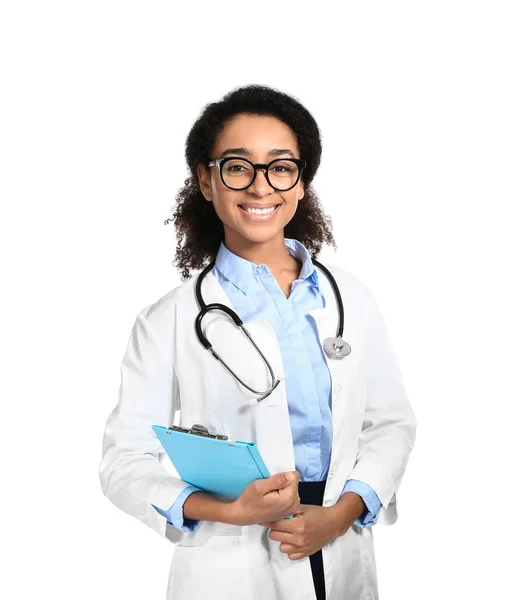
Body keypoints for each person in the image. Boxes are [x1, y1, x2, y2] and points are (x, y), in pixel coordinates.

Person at [99, 84, 417, 600]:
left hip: (340, 545)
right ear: (207, 179)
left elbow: (391, 424)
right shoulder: (170, 320)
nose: (260, 186)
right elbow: (124, 463)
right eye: (238, 166)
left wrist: (340, 515)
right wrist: (231, 511)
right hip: (234, 562)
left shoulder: (350, 299)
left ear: (301, 182)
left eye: (281, 166)